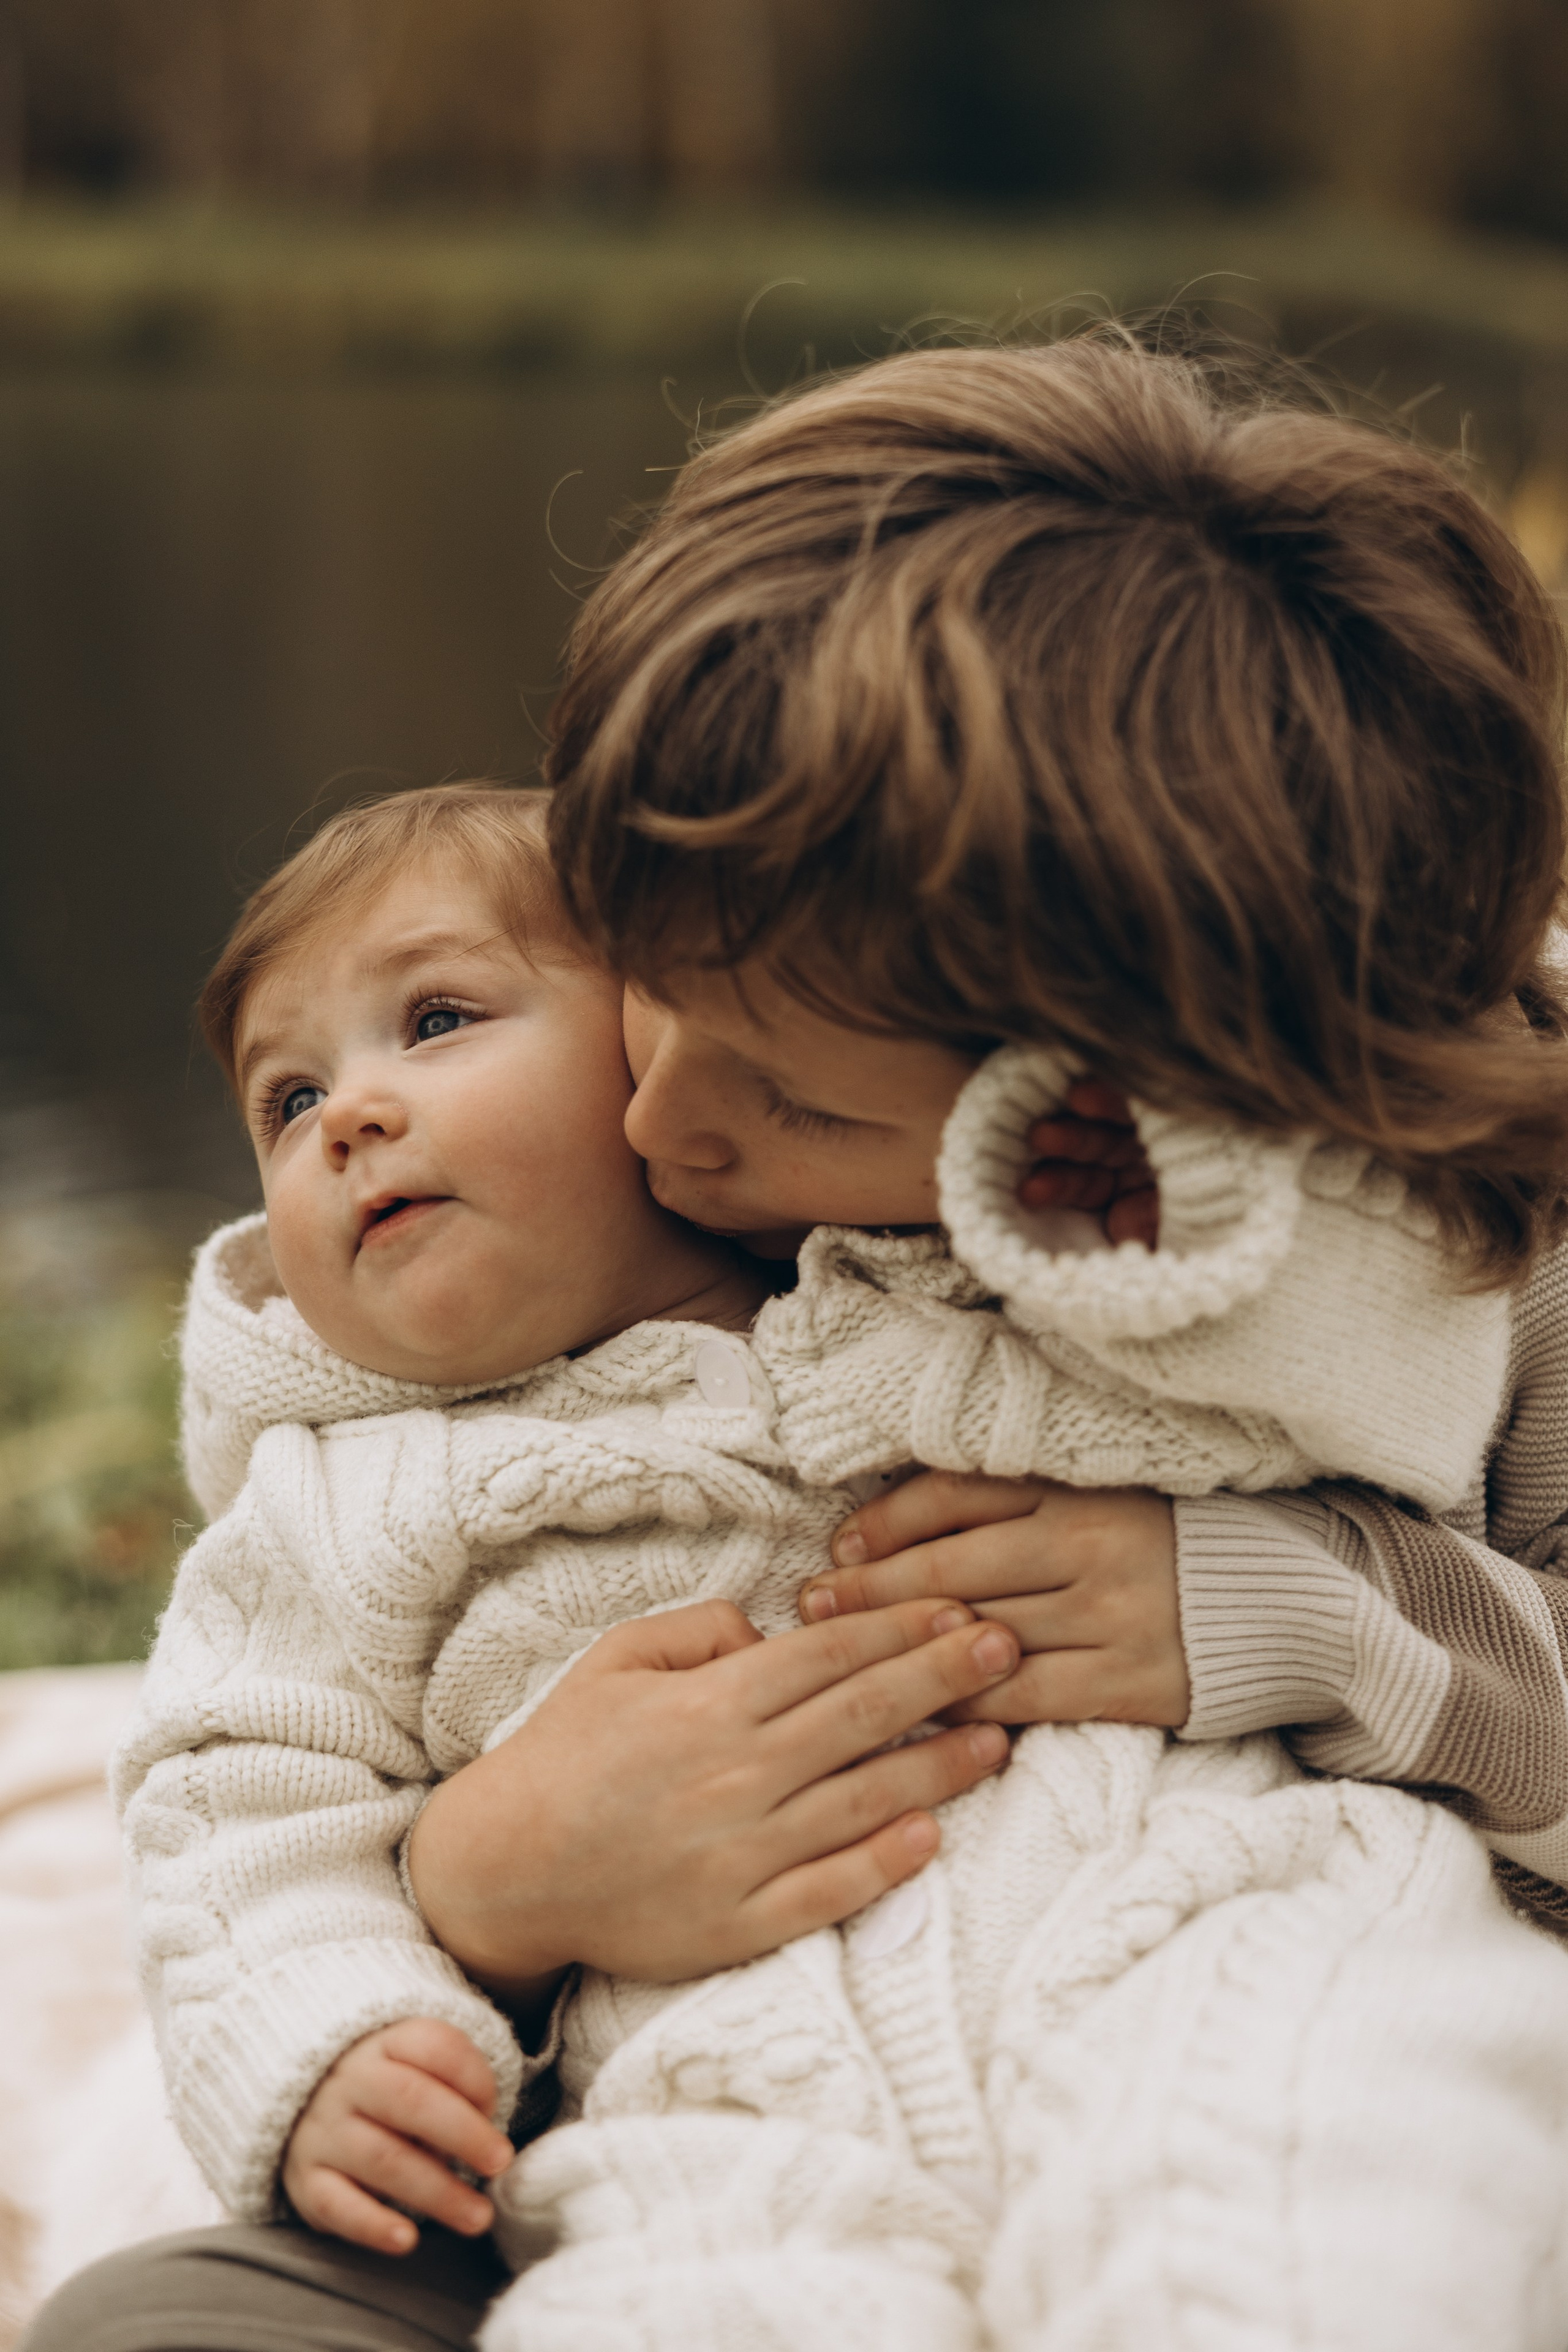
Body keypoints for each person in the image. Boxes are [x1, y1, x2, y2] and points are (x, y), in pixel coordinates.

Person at [24, 329, 1568, 2351]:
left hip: (1230, 1971)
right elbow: (245, 1796)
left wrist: (1289, 1611)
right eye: (649, 998)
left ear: (1111, 1102)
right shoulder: (450, 1377)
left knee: (1266, 2230)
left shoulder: (1412, 1236)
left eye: (798, 1104)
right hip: (711, 2087)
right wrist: (487, 1888)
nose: (662, 1126)